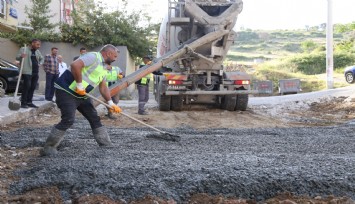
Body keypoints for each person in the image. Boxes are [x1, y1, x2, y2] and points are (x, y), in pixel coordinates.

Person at [40, 44, 122, 157]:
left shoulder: (104, 67)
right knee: (68, 119)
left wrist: (110, 103)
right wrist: (79, 85)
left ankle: (105, 143)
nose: (115, 59)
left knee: (94, 118)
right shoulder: (94, 57)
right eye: (115, 56)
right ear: (108, 53)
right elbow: (75, 65)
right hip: (66, 91)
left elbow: (103, 87)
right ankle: (48, 147)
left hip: (82, 95)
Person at [16, 39, 44, 108]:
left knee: (32, 87)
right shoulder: (24, 49)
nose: (39, 46)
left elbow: (42, 58)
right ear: (32, 43)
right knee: (26, 87)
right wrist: (21, 56)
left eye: (39, 45)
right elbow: (17, 58)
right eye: (37, 44)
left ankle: (29, 102)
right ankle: (23, 103)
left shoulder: (37, 51)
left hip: (35, 72)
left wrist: (40, 63)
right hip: (27, 71)